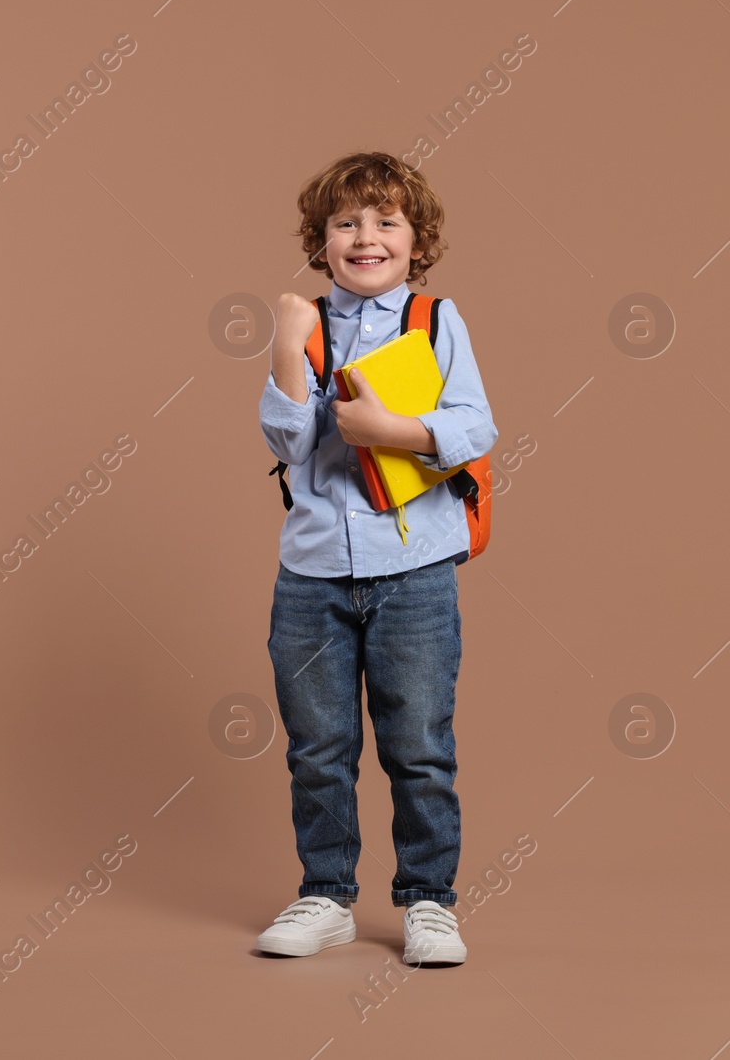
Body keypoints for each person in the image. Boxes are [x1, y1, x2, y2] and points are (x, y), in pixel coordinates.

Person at [254, 151, 497, 967]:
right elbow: (287, 440)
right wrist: (288, 345)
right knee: (317, 744)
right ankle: (326, 895)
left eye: (386, 221)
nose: (367, 237)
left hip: (417, 570)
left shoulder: (435, 320)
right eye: (346, 223)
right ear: (319, 240)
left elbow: (476, 425)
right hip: (313, 574)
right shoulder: (309, 324)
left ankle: (430, 901)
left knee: (419, 743)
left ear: (416, 238)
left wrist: (394, 432)